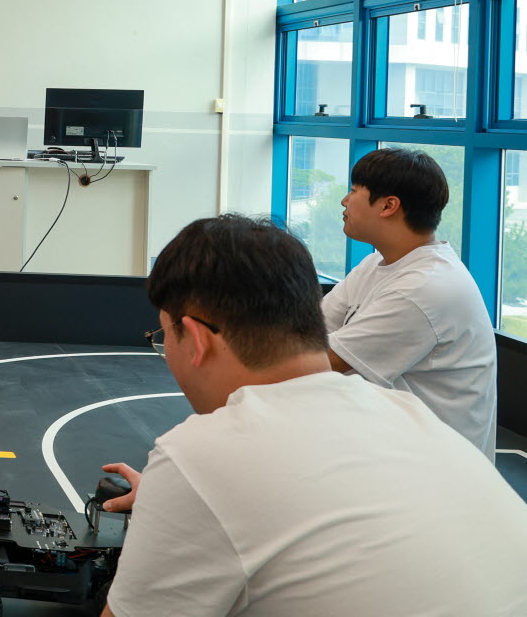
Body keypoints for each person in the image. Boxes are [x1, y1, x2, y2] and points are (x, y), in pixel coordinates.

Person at [96, 214, 527, 617]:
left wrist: (182, 498)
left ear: (195, 337)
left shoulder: (201, 456)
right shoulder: (408, 412)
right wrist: (182, 508)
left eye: (163, 336)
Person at [324, 147, 497, 456]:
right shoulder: (375, 265)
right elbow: (309, 330)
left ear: (388, 205)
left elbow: (324, 362)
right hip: (388, 439)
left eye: (353, 190)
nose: (344, 201)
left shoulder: (425, 287)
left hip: (432, 463)